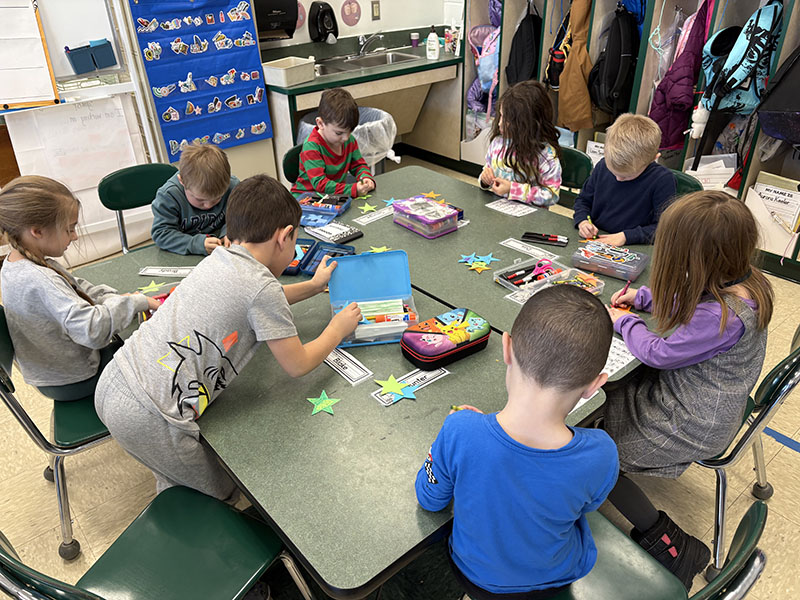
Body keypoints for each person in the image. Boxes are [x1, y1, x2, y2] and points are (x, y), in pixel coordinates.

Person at [95, 175, 362, 501]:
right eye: (294, 242)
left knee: (175, 470)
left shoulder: (221, 257)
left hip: (116, 379)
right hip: (151, 412)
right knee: (221, 493)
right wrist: (337, 328)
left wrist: (312, 285)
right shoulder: (261, 287)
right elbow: (297, 364)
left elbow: (258, 300)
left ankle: (173, 483)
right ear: (285, 236)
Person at [605, 191, 773, 588]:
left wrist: (624, 321)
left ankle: (673, 544)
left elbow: (658, 352)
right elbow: (691, 297)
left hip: (691, 420)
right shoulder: (741, 277)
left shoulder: (724, 316)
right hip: (702, 400)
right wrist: (643, 297)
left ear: (695, 260)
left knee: (600, 460)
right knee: (607, 398)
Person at [416, 285, 619, 599]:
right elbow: (586, 506)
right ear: (595, 385)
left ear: (506, 347)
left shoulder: (460, 430)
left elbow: (430, 500)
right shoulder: (602, 453)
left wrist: (456, 438)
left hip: (473, 576)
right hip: (555, 578)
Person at [0, 176, 159, 400]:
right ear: (37, 231)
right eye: (69, 229)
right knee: (156, 351)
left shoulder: (17, 261)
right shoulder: (40, 279)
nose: (74, 236)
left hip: (56, 374)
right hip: (76, 379)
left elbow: (74, 287)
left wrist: (115, 299)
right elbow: (92, 330)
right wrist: (136, 302)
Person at [573, 113, 676, 246]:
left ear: (653, 158)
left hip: (635, 247)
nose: (618, 178)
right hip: (596, 241)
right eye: (613, 171)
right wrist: (583, 221)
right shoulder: (603, 166)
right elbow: (583, 200)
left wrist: (626, 237)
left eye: (627, 175)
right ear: (606, 152)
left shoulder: (663, 180)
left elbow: (664, 228)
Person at [479, 80, 562, 207]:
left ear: (527, 124)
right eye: (501, 116)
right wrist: (485, 180)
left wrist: (513, 189)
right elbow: (487, 170)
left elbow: (551, 195)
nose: (500, 123)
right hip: (498, 213)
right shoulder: (498, 143)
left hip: (529, 221)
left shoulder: (546, 155)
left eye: (508, 120)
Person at [151, 143, 239, 255]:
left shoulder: (233, 187)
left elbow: (239, 217)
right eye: (200, 200)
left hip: (219, 252)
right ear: (182, 181)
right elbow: (161, 234)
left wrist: (231, 232)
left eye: (218, 198)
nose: (208, 205)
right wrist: (196, 244)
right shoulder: (169, 196)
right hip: (183, 253)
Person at [291, 87, 376, 198]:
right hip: (306, 199)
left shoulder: (349, 140)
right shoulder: (312, 146)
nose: (346, 138)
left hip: (332, 197)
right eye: (339, 133)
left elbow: (358, 165)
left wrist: (365, 177)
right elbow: (320, 184)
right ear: (320, 123)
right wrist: (352, 189)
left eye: (350, 131)